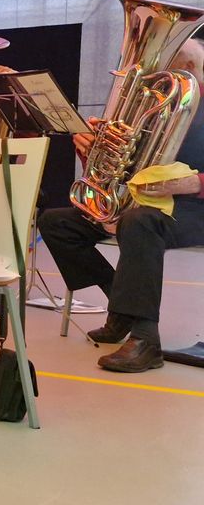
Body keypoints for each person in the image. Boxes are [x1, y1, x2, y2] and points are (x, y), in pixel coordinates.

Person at [37, 37, 204, 372]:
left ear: (186, 68)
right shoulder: (150, 107)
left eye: (163, 67)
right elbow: (117, 170)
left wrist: (197, 183)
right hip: (142, 204)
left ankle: (145, 340)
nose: (153, 76)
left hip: (193, 209)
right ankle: (121, 305)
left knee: (139, 223)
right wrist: (94, 150)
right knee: (56, 223)